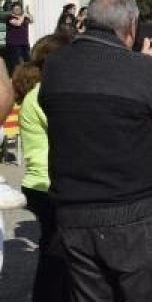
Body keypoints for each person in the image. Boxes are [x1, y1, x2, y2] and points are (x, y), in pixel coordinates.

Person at [40, 0, 152, 301]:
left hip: (73, 214)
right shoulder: (143, 71)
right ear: (131, 25)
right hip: (132, 214)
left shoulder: (54, 66)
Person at [14, 32, 71, 301]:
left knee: (58, 251)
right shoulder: (42, 95)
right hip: (45, 184)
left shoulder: (45, 92)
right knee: (56, 254)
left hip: (46, 182)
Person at [5, 2, 33, 70]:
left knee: (28, 62)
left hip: (24, 43)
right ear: (12, 10)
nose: (17, 10)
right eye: (15, 9)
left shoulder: (24, 18)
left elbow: (32, 20)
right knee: (16, 64)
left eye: (19, 9)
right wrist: (24, 14)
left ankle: (27, 76)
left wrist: (28, 13)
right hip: (14, 45)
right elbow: (18, 23)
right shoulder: (9, 18)